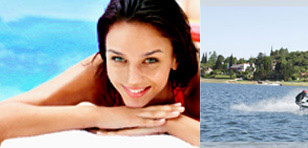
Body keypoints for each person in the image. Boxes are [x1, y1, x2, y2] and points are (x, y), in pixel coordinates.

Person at [0, 0, 199, 146]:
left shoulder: (198, 80)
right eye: (118, 59)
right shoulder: (98, 74)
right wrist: (97, 115)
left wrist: (171, 123)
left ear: (176, 58)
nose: (132, 79)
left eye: (150, 60)